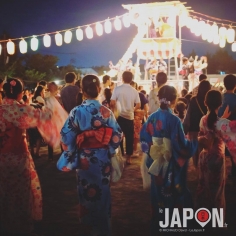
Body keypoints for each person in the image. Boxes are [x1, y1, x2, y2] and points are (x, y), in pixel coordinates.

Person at [57, 74, 122, 236]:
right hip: (102, 158)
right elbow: (117, 136)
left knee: (86, 190)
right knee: (103, 191)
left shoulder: (76, 111)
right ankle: (103, 226)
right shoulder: (106, 111)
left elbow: (65, 135)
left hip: (84, 158)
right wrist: (110, 150)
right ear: (99, 89)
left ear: (82, 91)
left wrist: (72, 150)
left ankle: (87, 225)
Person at [0, 78, 59, 235]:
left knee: (3, 192)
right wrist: (51, 96)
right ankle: (21, 226)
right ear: (20, 94)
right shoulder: (21, 110)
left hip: (1, 159)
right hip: (19, 158)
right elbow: (44, 115)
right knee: (21, 193)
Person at [140, 85, 198, 235]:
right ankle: (173, 222)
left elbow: (144, 141)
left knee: (158, 190)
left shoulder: (152, 118)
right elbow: (180, 144)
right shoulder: (175, 120)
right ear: (174, 100)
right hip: (171, 161)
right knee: (173, 190)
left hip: (156, 161)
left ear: (159, 99)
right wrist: (193, 144)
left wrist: (153, 154)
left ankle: (158, 218)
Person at [196, 90, 236, 220]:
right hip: (217, 159)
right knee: (217, 192)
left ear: (205, 103)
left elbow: (209, 126)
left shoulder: (203, 120)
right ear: (220, 103)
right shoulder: (222, 123)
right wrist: (224, 119)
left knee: (203, 187)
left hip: (204, 158)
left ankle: (203, 218)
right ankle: (217, 221)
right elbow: (230, 134)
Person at [110, 71, 140, 164]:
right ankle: (129, 158)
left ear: (122, 78)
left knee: (119, 136)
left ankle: (121, 155)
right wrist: (132, 109)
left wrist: (115, 110)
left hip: (119, 116)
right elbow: (138, 104)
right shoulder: (134, 90)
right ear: (131, 79)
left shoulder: (117, 89)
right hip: (129, 116)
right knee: (129, 137)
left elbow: (112, 102)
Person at [183, 80, 211, 167]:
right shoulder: (210, 100)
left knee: (196, 153)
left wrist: (184, 129)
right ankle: (205, 170)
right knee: (208, 151)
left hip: (194, 130)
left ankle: (198, 170)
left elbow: (188, 116)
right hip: (207, 130)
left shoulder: (193, 100)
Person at [218, 74, 236, 176]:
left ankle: (221, 175)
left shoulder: (220, 98)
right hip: (234, 131)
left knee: (222, 153)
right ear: (235, 85)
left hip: (221, 130)